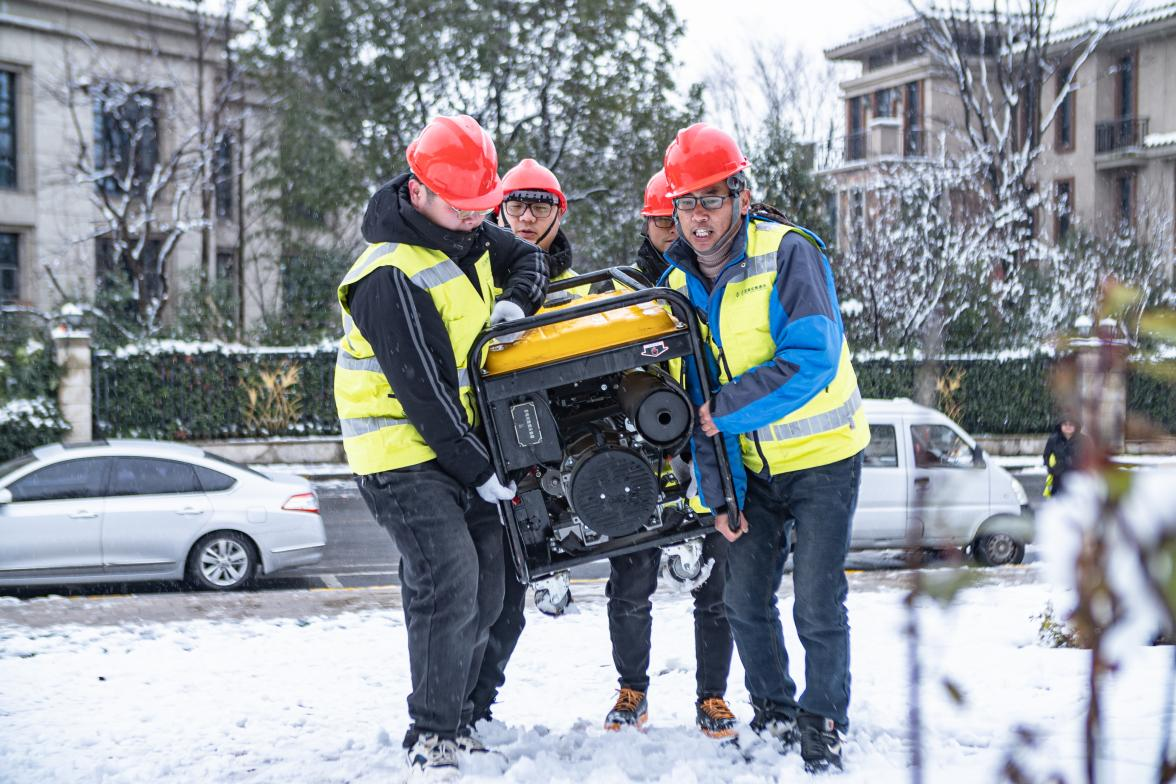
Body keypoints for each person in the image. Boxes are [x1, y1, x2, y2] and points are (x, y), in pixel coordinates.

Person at [333, 114, 546, 776]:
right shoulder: (387, 275)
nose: (472, 222)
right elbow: (422, 393)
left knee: (491, 589)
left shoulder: (470, 234)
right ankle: (434, 732)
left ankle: (460, 713)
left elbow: (530, 258)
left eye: (479, 209)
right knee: (449, 580)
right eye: (460, 208)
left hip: (459, 446)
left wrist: (515, 304)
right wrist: (480, 469)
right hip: (400, 455)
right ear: (419, 190)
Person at [659, 123, 869, 773]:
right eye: (685, 203)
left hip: (824, 460)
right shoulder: (675, 289)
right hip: (748, 468)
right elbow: (692, 406)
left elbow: (811, 358)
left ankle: (823, 717)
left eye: (711, 199)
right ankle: (775, 709)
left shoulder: (789, 253)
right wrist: (717, 495)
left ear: (741, 195)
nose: (698, 217)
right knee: (744, 600)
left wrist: (723, 409)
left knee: (814, 600)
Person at [596, 169, 738, 740]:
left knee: (716, 583)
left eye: (669, 217)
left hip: (705, 444)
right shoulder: (621, 288)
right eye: (658, 219)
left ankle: (713, 696)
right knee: (630, 581)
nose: (665, 228)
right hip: (641, 455)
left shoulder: (712, 281)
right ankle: (632, 690)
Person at [470, 158, 579, 725]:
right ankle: (465, 705)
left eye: (541, 205)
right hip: (487, 455)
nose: (528, 216)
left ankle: (479, 705)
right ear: (497, 208)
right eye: (517, 204)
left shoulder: (573, 285)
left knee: (512, 601)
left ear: (559, 213)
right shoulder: (476, 273)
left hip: (551, 454)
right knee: (488, 596)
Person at [633, 168, 675, 283]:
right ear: (647, 226)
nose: (674, 230)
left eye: (680, 220)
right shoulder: (622, 285)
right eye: (664, 220)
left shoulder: (713, 276)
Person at [1042, 416, 1089, 497]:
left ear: (1076, 426)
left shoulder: (1084, 440)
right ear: (1060, 426)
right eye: (1065, 424)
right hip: (1058, 476)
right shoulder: (1054, 439)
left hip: (1077, 476)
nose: (1068, 427)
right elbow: (1046, 455)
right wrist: (1051, 469)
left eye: (1071, 425)